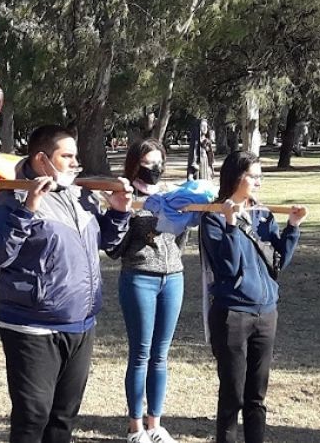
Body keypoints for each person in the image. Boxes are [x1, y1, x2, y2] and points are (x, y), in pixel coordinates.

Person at [0, 124, 133, 443]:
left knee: (63, 417)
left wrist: (118, 213)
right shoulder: (11, 196)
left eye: (75, 156)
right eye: (67, 156)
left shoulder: (80, 193)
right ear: (41, 159)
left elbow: (107, 242)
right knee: (33, 415)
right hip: (31, 326)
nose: (75, 163)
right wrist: (27, 211)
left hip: (81, 323)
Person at [199, 151, 307, 443]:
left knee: (256, 397)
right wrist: (232, 224)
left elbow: (278, 263)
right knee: (232, 395)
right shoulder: (212, 216)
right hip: (232, 314)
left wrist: (293, 228)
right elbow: (227, 267)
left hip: (266, 313)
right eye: (253, 176)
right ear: (236, 177)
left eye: (261, 176)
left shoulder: (263, 214)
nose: (259, 182)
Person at [106, 139, 186, 443]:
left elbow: (180, 235)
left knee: (161, 355)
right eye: (148, 163)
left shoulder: (169, 195)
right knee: (140, 354)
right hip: (139, 277)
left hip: (173, 278)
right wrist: (126, 215)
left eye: (159, 163)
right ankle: (135, 427)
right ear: (135, 164)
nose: (155, 169)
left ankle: (155, 424)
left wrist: (171, 256)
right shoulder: (124, 195)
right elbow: (115, 248)